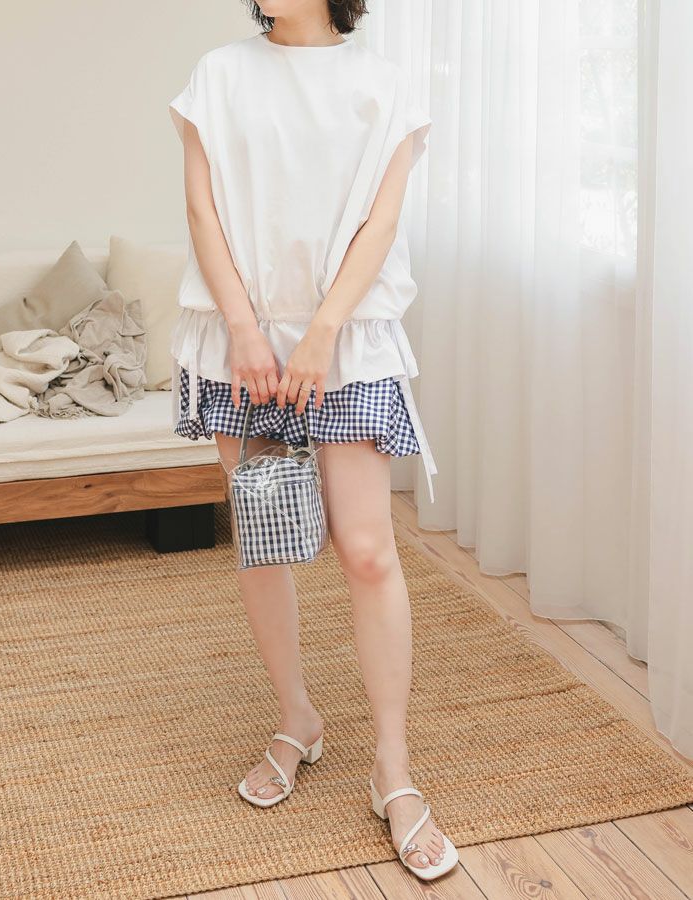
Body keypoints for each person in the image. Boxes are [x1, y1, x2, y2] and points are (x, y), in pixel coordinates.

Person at [168, 0, 458, 882]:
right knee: (266, 540)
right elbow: (203, 213)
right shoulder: (219, 75)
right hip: (239, 342)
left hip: (348, 338)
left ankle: (393, 769)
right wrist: (243, 329)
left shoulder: (384, 83)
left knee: (368, 552)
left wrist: (323, 331)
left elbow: (381, 224)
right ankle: (297, 718)